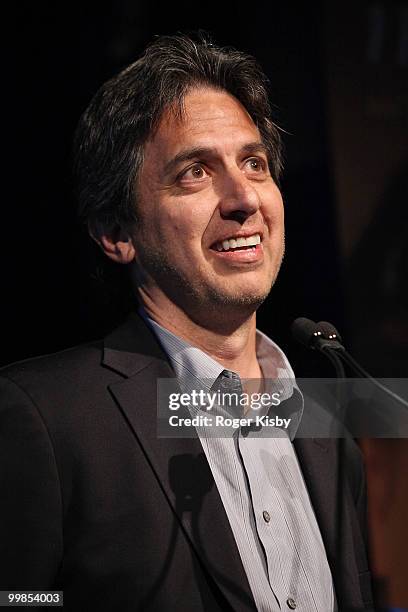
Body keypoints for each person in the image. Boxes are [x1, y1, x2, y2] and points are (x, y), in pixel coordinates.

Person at [0, 34, 373, 611]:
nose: (243, 198)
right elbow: (20, 598)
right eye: (195, 172)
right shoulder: (43, 416)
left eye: (254, 163)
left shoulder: (325, 420)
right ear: (115, 233)